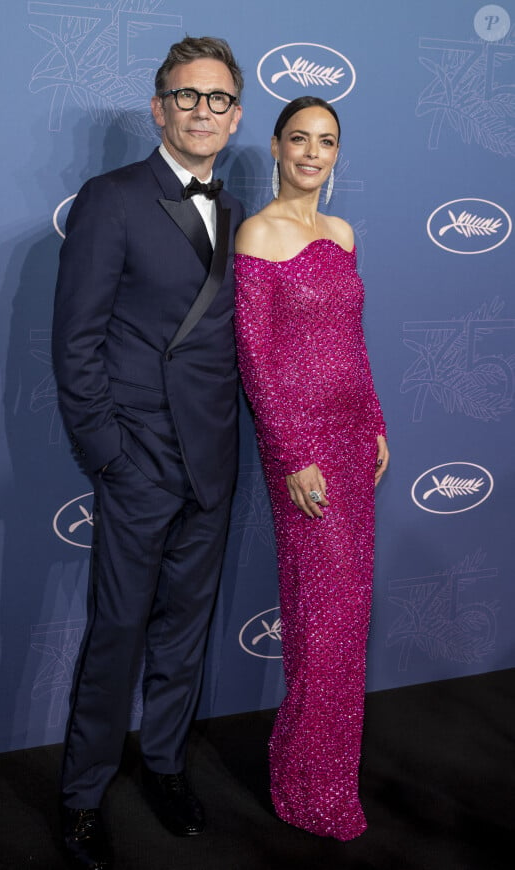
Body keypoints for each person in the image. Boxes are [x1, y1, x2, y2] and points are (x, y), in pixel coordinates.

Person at [52, 36, 244, 869]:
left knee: (184, 634)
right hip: (139, 459)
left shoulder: (241, 214)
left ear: (236, 118)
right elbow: (75, 341)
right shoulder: (112, 198)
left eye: (220, 99)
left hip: (214, 458)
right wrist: (109, 454)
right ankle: (82, 795)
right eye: (188, 95)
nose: (204, 111)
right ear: (159, 107)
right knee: (118, 633)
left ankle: (165, 767)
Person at [234, 96, 389, 842]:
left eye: (325, 142)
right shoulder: (258, 233)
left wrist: (378, 420)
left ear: (336, 154)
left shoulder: (344, 231)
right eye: (299, 139)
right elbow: (256, 361)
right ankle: (303, 787)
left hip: (356, 441)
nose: (311, 153)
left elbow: (351, 338)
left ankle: (331, 779)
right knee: (319, 624)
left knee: (348, 620)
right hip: (303, 452)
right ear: (274, 147)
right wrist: (292, 454)